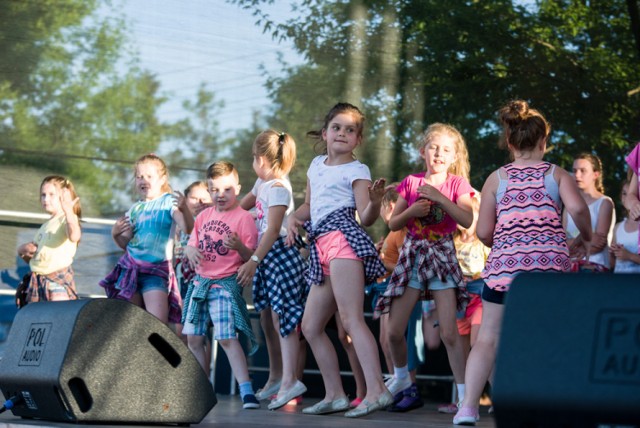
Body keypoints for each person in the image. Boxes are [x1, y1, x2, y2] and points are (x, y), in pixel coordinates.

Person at [454, 99, 592, 425]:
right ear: (544, 142)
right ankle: (554, 404)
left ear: (510, 143)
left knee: (486, 340)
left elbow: (484, 230)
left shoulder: (496, 179)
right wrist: (585, 236)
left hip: (504, 274)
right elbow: (579, 210)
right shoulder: (557, 175)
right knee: (554, 337)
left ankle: (467, 408)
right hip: (548, 276)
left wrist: (501, 243)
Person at [286, 102, 392, 418]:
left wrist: (374, 203)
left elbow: (367, 216)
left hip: (344, 241)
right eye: (337, 128)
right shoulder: (316, 165)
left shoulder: (357, 170)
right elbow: (310, 205)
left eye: (350, 130)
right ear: (325, 133)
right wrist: (293, 217)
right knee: (311, 325)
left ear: (358, 139)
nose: (342, 134)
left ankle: (377, 390)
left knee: (351, 319)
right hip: (320, 247)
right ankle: (335, 394)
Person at [375, 122, 474, 411]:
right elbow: (393, 223)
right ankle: (402, 377)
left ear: (454, 157)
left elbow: (466, 220)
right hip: (413, 256)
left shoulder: (458, 185)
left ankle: (465, 396)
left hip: (442, 255)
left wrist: (441, 198)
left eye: (445, 150)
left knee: (448, 332)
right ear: (423, 152)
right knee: (393, 331)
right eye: (433, 148)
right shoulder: (412, 182)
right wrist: (412, 211)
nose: (439, 154)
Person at [235, 130, 308, 410]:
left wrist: (253, 260)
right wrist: (227, 214)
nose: (254, 163)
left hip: (279, 255)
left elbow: (273, 229)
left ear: (263, 160)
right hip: (267, 258)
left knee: (284, 319)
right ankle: (276, 376)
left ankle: (291, 379)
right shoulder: (262, 182)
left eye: (254, 158)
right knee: (267, 319)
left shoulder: (279, 187)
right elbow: (244, 207)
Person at [182, 161, 260, 409]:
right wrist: (190, 250)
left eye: (226, 189)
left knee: (227, 338)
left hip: (224, 285)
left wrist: (238, 247)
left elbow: (250, 257)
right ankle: (200, 388)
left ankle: (246, 390)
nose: (220, 195)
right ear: (208, 190)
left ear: (237, 187)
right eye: (214, 189)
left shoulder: (244, 218)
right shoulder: (203, 216)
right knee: (193, 338)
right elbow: (192, 242)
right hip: (200, 283)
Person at [100, 154, 192, 324]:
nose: (143, 180)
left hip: (155, 271)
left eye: (149, 176)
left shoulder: (168, 202)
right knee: (132, 323)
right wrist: (115, 233)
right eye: (139, 176)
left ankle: (155, 350)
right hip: (131, 270)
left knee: (157, 324)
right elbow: (125, 244)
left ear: (162, 179)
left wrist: (184, 209)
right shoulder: (135, 208)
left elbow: (187, 228)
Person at [438, 191, 490, 414]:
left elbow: (493, 271)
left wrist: (477, 278)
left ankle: (489, 397)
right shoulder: (451, 242)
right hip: (458, 303)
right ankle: (464, 399)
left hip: (479, 301)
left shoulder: (485, 242)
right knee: (459, 353)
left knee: (479, 345)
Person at [16, 175, 82, 306]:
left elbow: (74, 236)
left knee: (58, 320)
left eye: (52, 194)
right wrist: (23, 250)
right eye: (43, 195)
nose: (46, 199)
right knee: (40, 322)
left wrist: (69, 211)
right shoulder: (45, 226)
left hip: (56, 282)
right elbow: (33, 258)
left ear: (63, 197)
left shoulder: (68, 218)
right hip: (38, 281)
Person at [564, 153, 615, 270]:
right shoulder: (568, 205)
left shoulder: (604, 203)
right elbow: (561, 241)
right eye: (574, 170)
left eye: (583, 171)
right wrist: (586, 238)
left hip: (595, 265)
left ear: (595, 174)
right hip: (569, 266)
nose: (577, 175)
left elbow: (599, 244)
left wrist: (572, 244)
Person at [610, 180, 640, 272]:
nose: (627, 198)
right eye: (624, 193)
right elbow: (612, 263)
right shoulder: (617, 228)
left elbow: (626, 255)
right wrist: (611, 253)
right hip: (619, 283)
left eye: (631, 194)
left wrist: (629, 256)